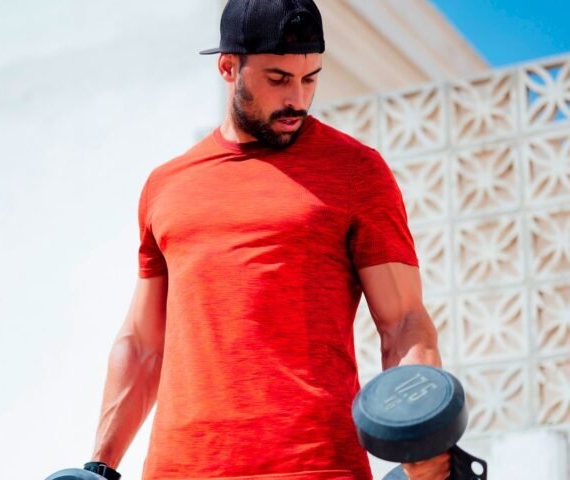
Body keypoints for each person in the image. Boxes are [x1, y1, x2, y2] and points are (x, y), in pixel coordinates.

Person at [88, 1, 450, 479]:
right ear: (228, 67)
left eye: (310, 78)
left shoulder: (356, 173)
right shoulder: (166, 186)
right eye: (278, 79)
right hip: (180, 468)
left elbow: (403, 321)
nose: (297, 98)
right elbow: (142, 344)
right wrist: (99, 466)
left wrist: (424, 437)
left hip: (314, 466)